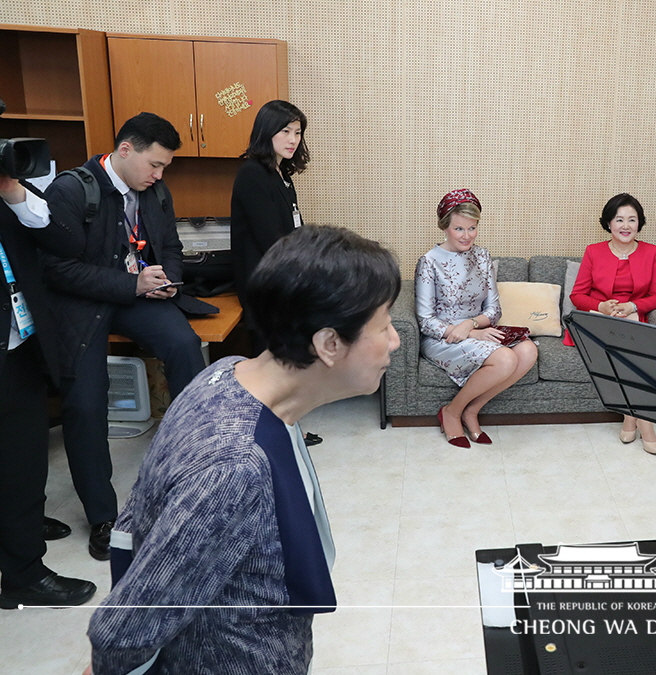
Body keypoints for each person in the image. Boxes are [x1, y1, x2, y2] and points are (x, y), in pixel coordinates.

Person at [85, 225, 402, 674]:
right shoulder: (233, 467)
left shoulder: (228, 373)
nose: (395, 341)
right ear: (329, 344)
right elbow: (124, 630)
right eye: (385, 325)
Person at [40, 113, 208, 561]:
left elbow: (170, 246)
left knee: (184, 344)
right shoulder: (72, 190)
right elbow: (56, 269)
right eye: (154, 165)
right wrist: (131, 284)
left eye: (164, 168)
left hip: (139, 293)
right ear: (125, 150)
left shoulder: (155, 191)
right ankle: (102, 517)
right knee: (86, 403)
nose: (158, 176)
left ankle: (197, 460)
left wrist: (168, 280)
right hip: (84, 303)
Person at [0, 174, 96, 609]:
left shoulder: (12, 190)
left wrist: (14, 192)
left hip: (19, 343)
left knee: (24, 456)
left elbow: (66, 242)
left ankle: (22, 567)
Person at [231, 99, 323, 447]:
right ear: (265, 131)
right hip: (263, 283)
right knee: (270, 359)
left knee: (287, 357)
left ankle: (286, 429)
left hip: (282, 278)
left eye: (297, 132)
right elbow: (271, 238)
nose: (292, 139)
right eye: (285, 131)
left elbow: (292, 230)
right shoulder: (252, 173)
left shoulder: (281, 174)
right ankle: (269, 436)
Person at [415, 189, 537, 447]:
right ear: (445, 227)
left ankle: (472, 410)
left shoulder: (482, 256)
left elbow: (494, 310)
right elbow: (425, 320)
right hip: (443, 338)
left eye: (472, 228)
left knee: (528, 351)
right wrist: (468, 332)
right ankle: (452, 411)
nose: (467, 235)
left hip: (476, 330)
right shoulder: (429, 261)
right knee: (505, 358)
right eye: (459, 229)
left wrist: (472, 325)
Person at [571, 193, 656, 454]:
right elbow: (577, 295)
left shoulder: (651, 252)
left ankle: (631, 417)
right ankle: (646, 422)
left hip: (634, 318)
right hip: (600, 318)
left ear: (639, 223)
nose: (626, 226)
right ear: (609, 223)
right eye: (619, 219)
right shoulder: (594, 251)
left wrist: (633, 306)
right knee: (632, 353)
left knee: (635, 348)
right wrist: (600, 306)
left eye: (632, 220)